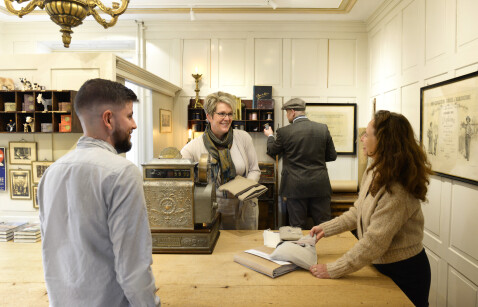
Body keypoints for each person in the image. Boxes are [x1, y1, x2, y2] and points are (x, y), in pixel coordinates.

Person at [38, 78, 159, 307]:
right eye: (130, 116)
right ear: (109, 119)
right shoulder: (123, 173)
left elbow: (51, 251)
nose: (134, 125)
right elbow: (133, 268)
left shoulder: (50, 174)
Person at [309, 110, 433, 307]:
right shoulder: (375, 170)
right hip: (382, 266)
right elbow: (358, 210)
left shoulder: (397, 189)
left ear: (384, 140)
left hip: (405, 273)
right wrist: (326, 228)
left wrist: (334, 269)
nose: (362, 139)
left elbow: (374, 242)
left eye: (367, 134)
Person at [181, 91, 261, 230]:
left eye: (230, 114)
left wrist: (245, 188)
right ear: (209, 116)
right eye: (222, 114)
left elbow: (254, 170)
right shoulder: (192, 148)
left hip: (245, 206)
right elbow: (184, 182)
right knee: (221, 249)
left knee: (246, 248)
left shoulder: (243, 138)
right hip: (215, 210)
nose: (227, 118)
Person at [263, 98, 337, 229]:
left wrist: (270, 136)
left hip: (295, 187)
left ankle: (300, 249)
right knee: (324, 227)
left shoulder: (284, 132)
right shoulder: (322, 128)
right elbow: (332, 156)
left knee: (297, 227)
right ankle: (325, 249)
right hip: (319, 185)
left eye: (286, 113)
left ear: (292, 112)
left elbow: (272, 151)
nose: (287, 116)